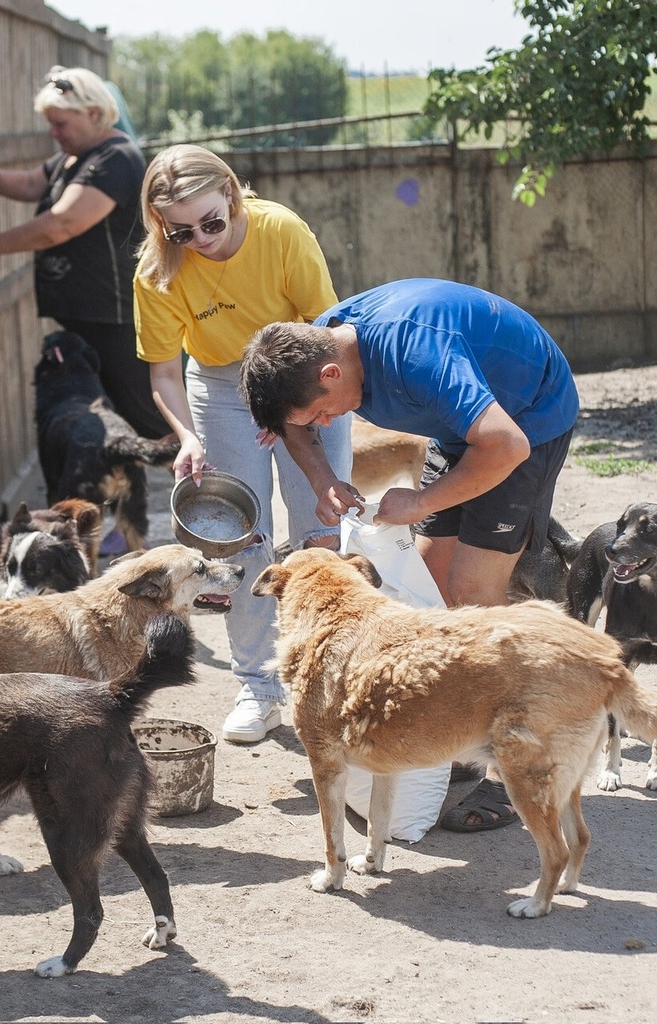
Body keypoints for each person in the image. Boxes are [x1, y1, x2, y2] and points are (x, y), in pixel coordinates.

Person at [239, 277, 580, 829]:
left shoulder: (418, 355)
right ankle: (465, 732)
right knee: (429, 586)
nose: (325, 425)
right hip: (463, 428)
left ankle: (515, 761)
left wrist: (421, 501)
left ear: (332, 375)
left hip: (525, 420)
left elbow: (506, 445)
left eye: (322, 413)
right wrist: (323, 478)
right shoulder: (312, 350)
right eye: (316, 422)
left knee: (473, 592)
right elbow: (292, 426)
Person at [133, 144, 352, 744]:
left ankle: (331, 673)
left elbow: (329, 330)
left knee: (323, 529)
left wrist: (285, 403)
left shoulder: (280, 230)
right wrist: (187, 437)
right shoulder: (157, 272)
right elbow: (163, 374)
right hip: (220, 384)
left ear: (230, 195)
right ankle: (259, 683)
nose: (200, 241)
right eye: (181, 232)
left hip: (301, 371)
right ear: (160, 226)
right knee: (241, 536)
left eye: (211, 223)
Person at [0, 66, 166, 443]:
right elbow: (30, 183)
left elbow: (63, 223)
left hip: (114, 317)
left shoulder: (116, 157)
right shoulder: (74, 157)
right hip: (87, 316)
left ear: (93, 114)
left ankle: (194, 477)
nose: (53, 133)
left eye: (60, 124)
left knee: (147, 421)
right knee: (111, 426)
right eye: (50, 124)